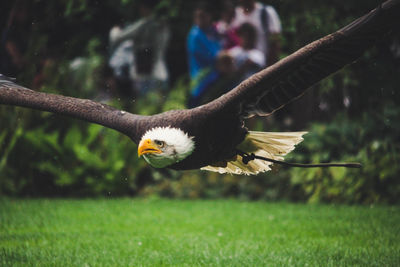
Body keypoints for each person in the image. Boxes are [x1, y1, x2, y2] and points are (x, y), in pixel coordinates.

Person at [109, 0, 170, 97]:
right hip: (161, 73)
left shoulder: (143, 24)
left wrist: (114, 31)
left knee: (145, 108)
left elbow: (118, 38)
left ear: (143, 8)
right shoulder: (163, 25)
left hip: (144, 74)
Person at [187, 2, 222, 107]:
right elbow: (214, 56)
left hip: (214, 79)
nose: (200, 19)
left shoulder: (212, 32)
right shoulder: (195, 35)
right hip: (201, 83)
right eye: (198, 16)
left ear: (209, 16)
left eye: (202, 16)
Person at [231, 0, 282, 66]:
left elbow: (275, 40)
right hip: (240, 67)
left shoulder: (266, 12)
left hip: (263, 65)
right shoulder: (236, 13)